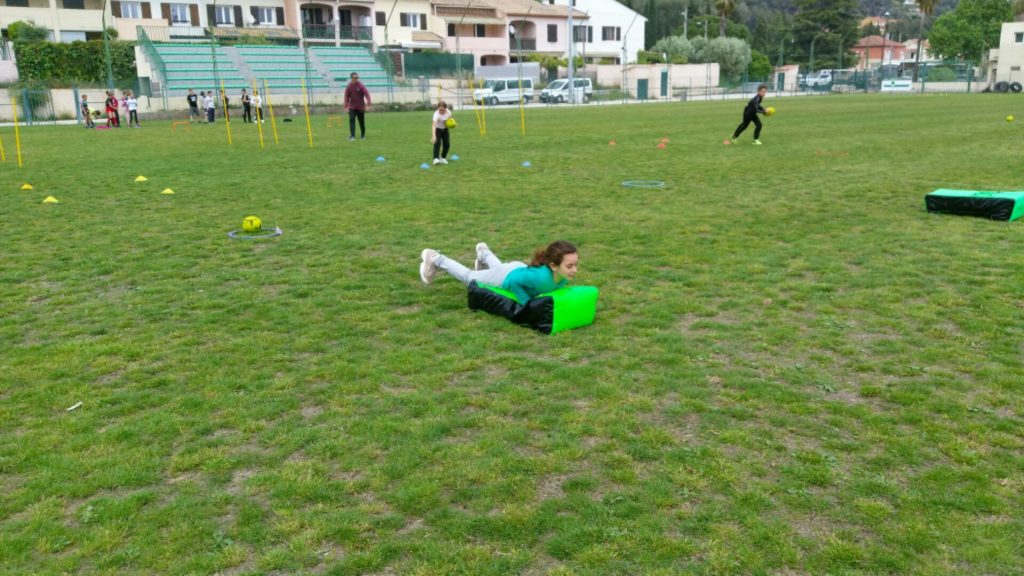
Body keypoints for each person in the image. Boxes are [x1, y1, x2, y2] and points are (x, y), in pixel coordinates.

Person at [419, 241, 579, 305]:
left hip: (516, 268)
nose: (574, 270)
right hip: (508, 277)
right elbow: (515, 282)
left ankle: (484, 253)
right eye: (570, 266)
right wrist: (526, 302)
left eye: (575, 265)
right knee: (469, 278)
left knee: (500, 267)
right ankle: (435, 258)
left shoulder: (562, 278)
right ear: (554, 266)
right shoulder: (540, 277)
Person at [343, 72, 371, 140]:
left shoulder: (361, 86)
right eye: (355, 78)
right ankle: (352, 136)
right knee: (351, 120)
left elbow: (367, 94)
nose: (357, 79)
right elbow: (346, 97)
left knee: (361, 122)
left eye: (357, 78)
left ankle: (363, 135)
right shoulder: (349, 86)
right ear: (352, 78)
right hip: (352, 107)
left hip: (360, 107)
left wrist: (368, 105)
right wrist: (346, 106)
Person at [430, 100, 453, 165]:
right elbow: (433, 125)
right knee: (437, 142)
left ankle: (443, 158)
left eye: (443, 110)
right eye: (440, 109)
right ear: (438, 108)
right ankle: (435, 159)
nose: (441, 111)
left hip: (445, 129)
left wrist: (451, 124)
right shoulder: (436, 114)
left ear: (446, 109)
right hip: (437, 129)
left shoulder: (448, 112)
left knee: (447, 144)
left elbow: (451, 120)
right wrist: (434, 136)